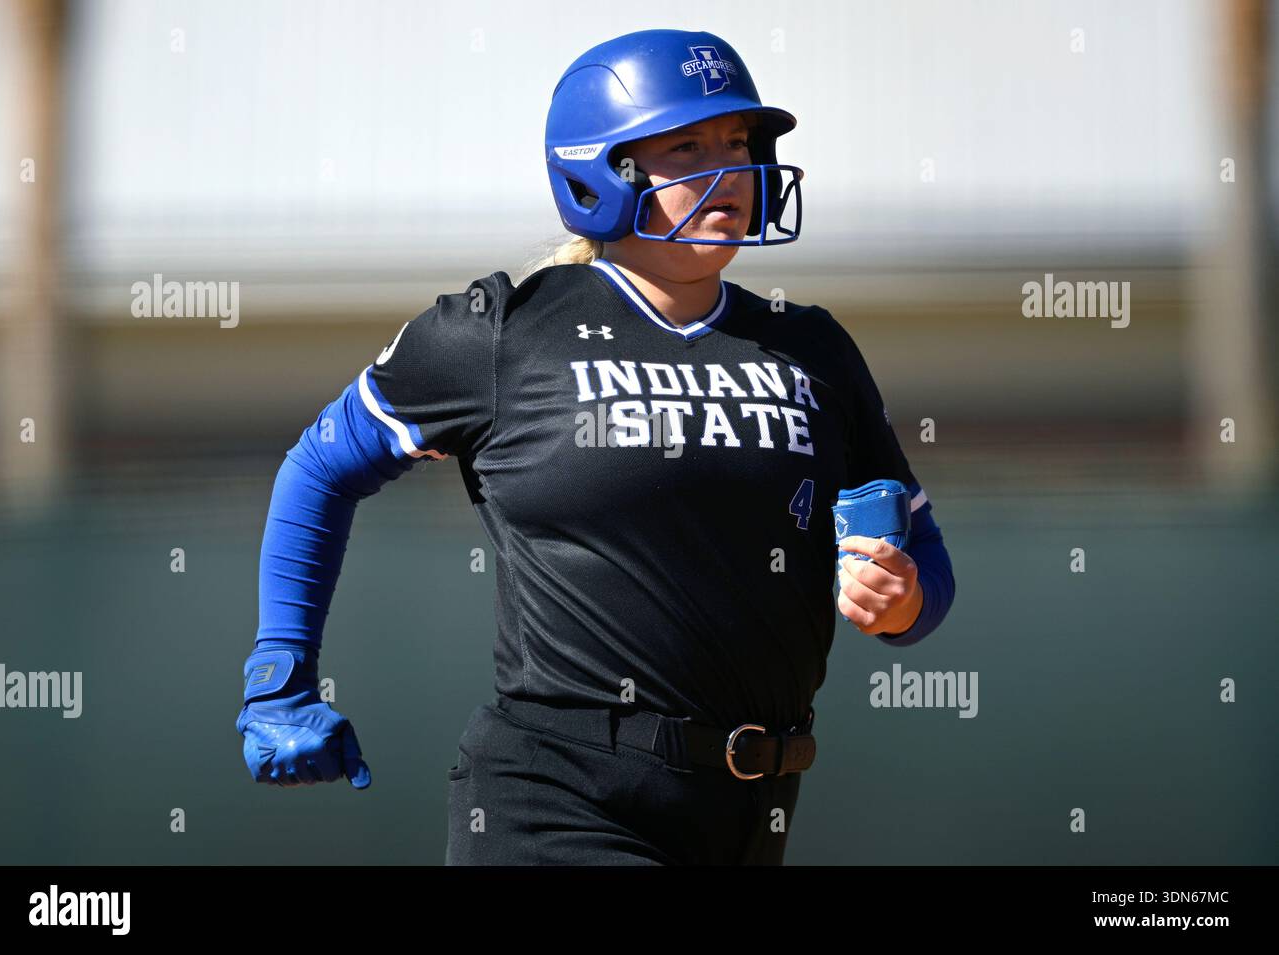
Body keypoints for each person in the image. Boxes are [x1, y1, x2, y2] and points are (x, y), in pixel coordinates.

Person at [235, 28, 955, 866]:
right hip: (558, 798)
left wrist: (901, 600)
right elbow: (321, 465)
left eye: (738, 142)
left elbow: (926, 562)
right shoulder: (503, 334)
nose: (732, 169)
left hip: (753, 812)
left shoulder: (812, 349)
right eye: (688, 146)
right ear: (600, 172)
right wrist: (279, 681)